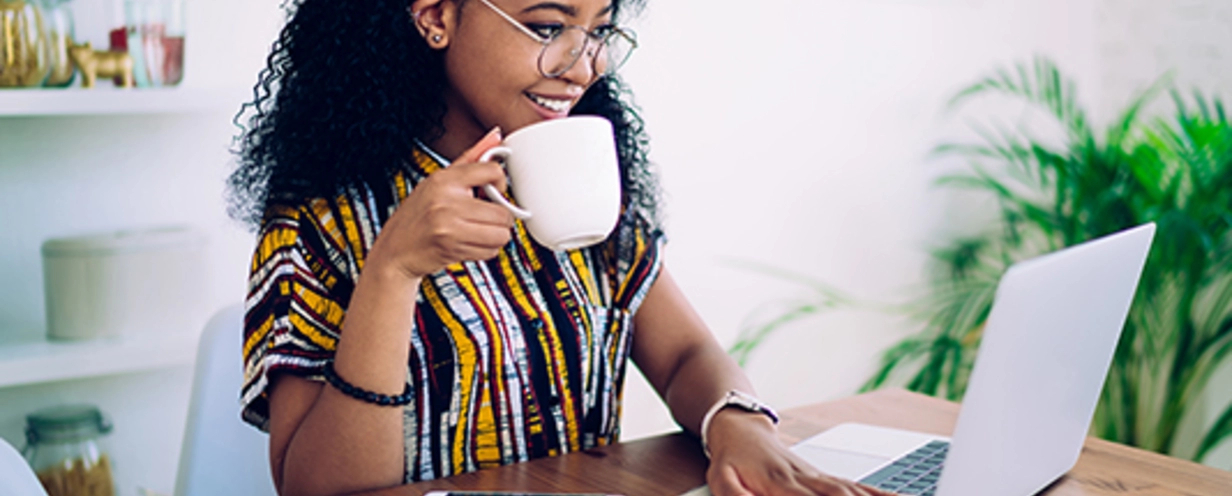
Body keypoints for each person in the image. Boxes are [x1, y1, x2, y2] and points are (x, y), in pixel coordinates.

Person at [228, 1, 896, 495]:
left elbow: (686, 353)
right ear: (435, 15)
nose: (585, 65)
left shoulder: (576, 173)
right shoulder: (320, 216)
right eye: (549, 27)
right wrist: (395, 271)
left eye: (599, 30)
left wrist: (738, 423)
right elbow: (317, 488)